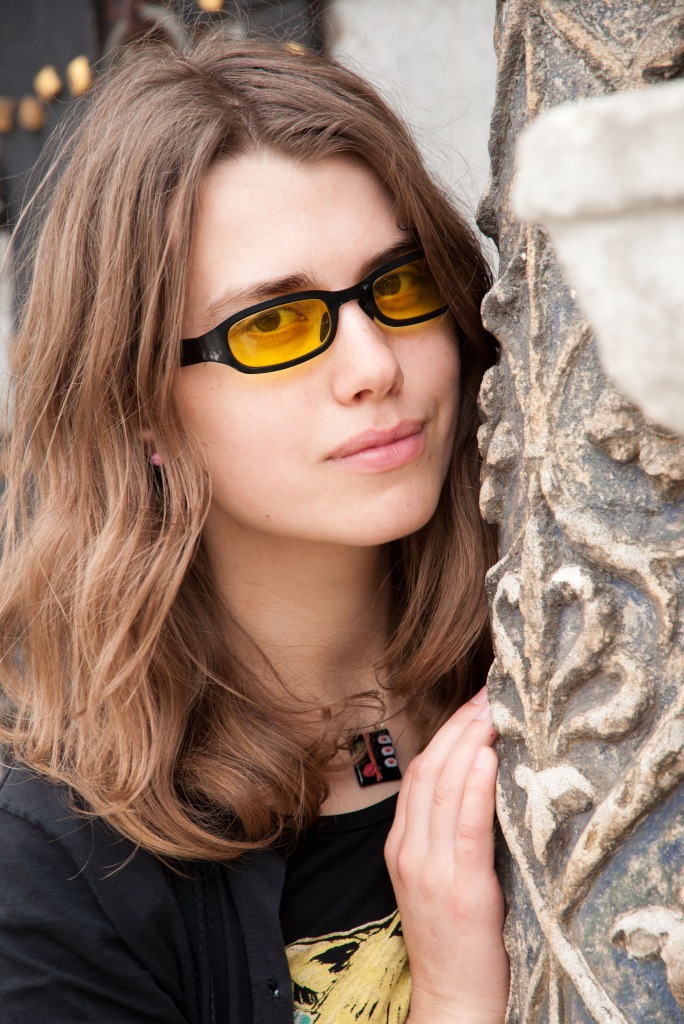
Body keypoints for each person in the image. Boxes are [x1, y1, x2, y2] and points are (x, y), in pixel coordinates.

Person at [0, 34, 509, 1024]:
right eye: (274, 325)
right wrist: (454, 1000)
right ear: (140, 409)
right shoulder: (54, 864)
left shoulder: (572, 648)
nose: (373, 365)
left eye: (399, 286)